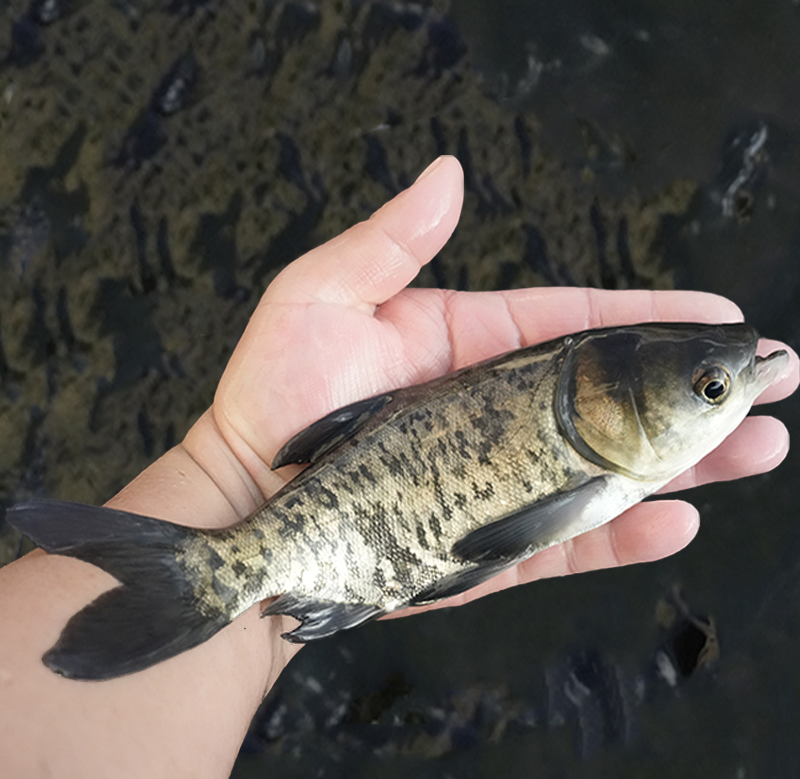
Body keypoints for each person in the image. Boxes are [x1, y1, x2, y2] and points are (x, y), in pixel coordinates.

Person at [0, 156, 796, 778]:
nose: (725, 393)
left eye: (710, 384)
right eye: (713, 388)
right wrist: (228, 477)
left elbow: (496, 547)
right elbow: (501, 547)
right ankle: (209, 578)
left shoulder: (595, 429)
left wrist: (227, 472)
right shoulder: (600, 457)